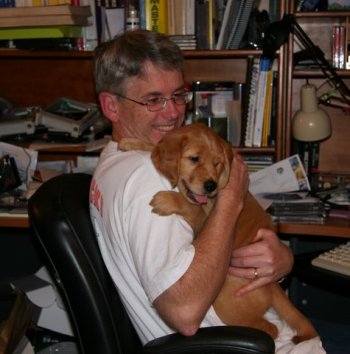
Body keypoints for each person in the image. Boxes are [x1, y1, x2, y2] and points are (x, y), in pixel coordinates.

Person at [89, 30, 324, 353]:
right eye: (153, 100)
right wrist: (231, 197)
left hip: (254, 312)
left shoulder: (117, 160)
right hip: (243, 340)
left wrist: (279, 261)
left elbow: (214, 246)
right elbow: (185, 313)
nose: (173, 113)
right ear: (111, 106)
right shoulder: (150, 176)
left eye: (178, 96)